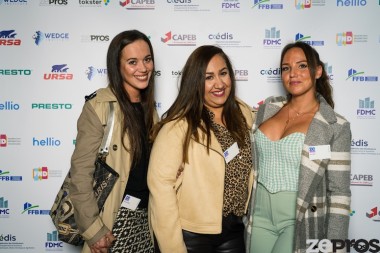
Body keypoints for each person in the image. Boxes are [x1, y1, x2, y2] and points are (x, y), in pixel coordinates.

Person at [245, 41, 351, 253]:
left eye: (302, 66)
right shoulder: (267, 109)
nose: (293, 73)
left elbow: (339, 193)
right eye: (286, 68)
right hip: (259, 218)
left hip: (299, 219)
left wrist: (334, 247)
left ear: (318, 71)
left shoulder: (335, 126)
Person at [147, 45, 255, 253]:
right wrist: (172, 247)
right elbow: (160, 188)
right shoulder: (179, 127)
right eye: (208, 77)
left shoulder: (244, 116)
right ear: (195, 82)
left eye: (223, 73)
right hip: (193, 235)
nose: (219, 83)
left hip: (234, 229)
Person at [69, 30, 159, 253]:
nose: (143, 68)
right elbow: (80, 173)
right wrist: (94, 230)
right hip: (113, 223)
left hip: (147, 222)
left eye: (147, 59)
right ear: (116, 67)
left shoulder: (150, 111)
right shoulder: (99, 106)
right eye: (132, 62)